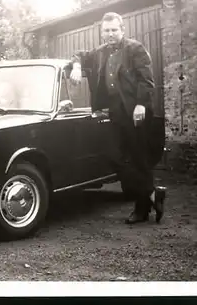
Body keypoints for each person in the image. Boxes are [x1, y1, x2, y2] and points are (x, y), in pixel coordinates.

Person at [69, 12, 166, 224]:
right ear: (101, 32)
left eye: (114, 30)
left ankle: (141, 210)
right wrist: (76, 66)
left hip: (135, 111)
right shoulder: (100, 52)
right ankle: (152, 193)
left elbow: (147, 80)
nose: (110, 34)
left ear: (122, 30)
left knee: (139, 160)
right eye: (107, 30)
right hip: (113, 112)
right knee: (113, 156)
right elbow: (79, 54)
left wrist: (141, 104)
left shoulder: (135, 49)